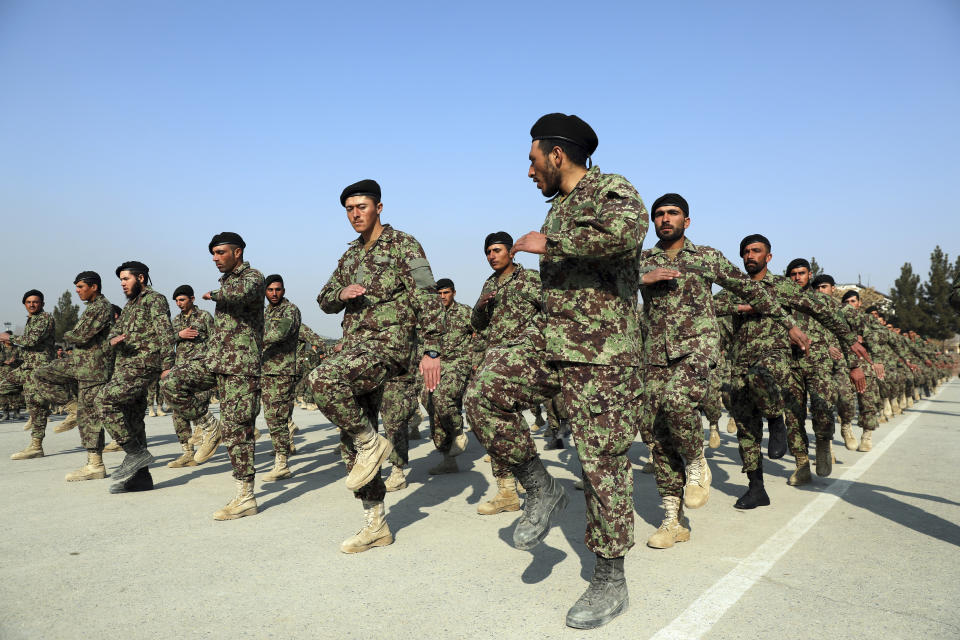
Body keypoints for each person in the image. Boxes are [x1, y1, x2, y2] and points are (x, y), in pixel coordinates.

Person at [464, 114, 645, 629]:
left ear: (556, 155)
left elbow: (628, 232)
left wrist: (553, 244)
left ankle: (610, 579)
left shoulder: (612, 187)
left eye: (531, 159)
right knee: (483, 393)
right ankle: (540, 487)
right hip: (553, 342)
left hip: (602, 355)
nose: (529, 170)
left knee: (601, 463)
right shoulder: (558, 208)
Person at [308, 179, 444, 553]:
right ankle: (376, 524)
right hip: (354, 346)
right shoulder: (349, 256)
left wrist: (431, 349)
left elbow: (427, 295)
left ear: (379, 208)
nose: (355, 214)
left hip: (388, 345)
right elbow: (323, 298)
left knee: (321, 379)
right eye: (349, 209)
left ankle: (373, 442)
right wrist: (341, 293)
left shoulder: (404, 245)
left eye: (362, 207)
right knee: (351, 446)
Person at [638, 193, 781, 549]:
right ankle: (673, 520)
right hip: (655, 354)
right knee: (658, 435)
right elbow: (612, 293)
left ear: (687, 221)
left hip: (697, 349)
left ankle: (697, 461)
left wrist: (764, 311)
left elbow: (749, 288)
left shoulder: (706, 257)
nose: (665, 219)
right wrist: (644, 279)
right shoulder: (641, 262)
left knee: (676, 399)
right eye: (659, 214)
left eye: (673, 213)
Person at [715, 236, 868, 509]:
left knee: (761, 376)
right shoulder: (736, 288)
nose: (750, 255)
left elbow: (821, 310)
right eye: (746, 252)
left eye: (756, 251)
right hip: (740, 362)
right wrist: (741, 307)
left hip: (774, 359)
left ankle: (775, 418)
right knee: (746, 430)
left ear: (768, 257)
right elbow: (707, 306)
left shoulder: (781, 286)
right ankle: (756, 488)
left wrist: (848, 340)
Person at [161, 232, 265, 519]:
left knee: (238, 430)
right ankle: (208, 425)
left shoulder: (253, 277)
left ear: (238, 252)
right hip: (216, 360)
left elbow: (242, 295)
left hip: (241, 367)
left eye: (220, 253)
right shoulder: (227, 280)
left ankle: (245, 495)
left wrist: (213, 295)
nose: (215, 258)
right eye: (213, 254)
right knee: (171, 381)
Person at [468, 231, 545, 513]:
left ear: (512, 252)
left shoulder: (531, 279)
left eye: (497, 250)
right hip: (495, 360)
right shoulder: (489, 284)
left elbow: (551, 311)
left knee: (502, 417)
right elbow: (476, 324)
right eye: (488, 252)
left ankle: (530, 478)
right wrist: (479, 307)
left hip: (524, 359)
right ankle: (507, 491)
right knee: (492, 421)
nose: (492, 256)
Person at [98, 262, 176, 493]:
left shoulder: (155, 299)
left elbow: (165, 333)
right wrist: (113, 339)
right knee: (133, 419)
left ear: (140, 278)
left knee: (104, 400)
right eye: (121, 280)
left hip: (143, 363)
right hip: (126, 365)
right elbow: (115, 329)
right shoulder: (130, 304)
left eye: (126, 279)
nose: (122, 284)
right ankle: (141, 478)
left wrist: (167, 366)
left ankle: (136, 453)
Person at [33, 272, 115, 480]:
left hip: (94, 369)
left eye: (80, 286)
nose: (77, 291)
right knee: (41, 374)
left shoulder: (102, 307)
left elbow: (80, 335)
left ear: (94, 287)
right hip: (80, 363)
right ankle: (72, 407)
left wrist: (69, 334)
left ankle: (95, 465)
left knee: (91, 416)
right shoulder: (93, 308)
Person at [422, 278, 471, 474]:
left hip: (459, 364)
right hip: (437, 368)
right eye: (439, 293)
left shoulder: (465, 312)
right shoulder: (430, 317)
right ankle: (447, 459)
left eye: (446, 292)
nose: (442, 297)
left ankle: (458, 431)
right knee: (432, 404)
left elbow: (483, 333)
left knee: (442, 397)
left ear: (454, 293)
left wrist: (474, 359)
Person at [3, 290, 56, 460]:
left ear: (42, 304)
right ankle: (39, 414)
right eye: (29, 302)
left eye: (36, 302)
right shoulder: (30, 320)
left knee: (37, 405)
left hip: (38, 368)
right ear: (24, 304)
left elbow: (31, 341)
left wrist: (9, 338)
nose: (32, 304)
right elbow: (27, 347)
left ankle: (36, 446)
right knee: (4, 386)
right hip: (26, 368)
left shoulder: (45, 318)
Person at [166, 285, 214, 467]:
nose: (179, 304)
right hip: (180, 370)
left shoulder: (204, 317)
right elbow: (167, 339)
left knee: (199, 406)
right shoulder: (176, 320)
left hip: (200, 370)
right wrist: (179, 334)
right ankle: (187, 452)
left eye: (182, 300)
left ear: (192, 299)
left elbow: (216, 339)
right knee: (178, 411)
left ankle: (204, 443)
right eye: (177, 301)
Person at [260, 274, 301, 481]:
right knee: (270, 416)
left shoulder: (290, 310)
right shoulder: (264, 312)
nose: (274, 293)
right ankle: (281, 453)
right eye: (270, 290)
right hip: (264, 370)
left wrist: (250, 337)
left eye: (278, 289)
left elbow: (279, 333)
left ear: (283, 290)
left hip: (282, 371)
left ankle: (282, 462)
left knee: (278, 416)